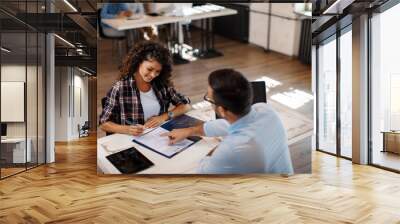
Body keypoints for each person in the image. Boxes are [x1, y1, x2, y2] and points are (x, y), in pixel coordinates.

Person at [162, 69, 294, 174]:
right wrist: (190, 131)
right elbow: (226, 125)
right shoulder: (265, 110)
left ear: (222, 111)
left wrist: (218, 148)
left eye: (209, 98)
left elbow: (203, 171)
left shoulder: (231, 150)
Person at [99, 41, 191, 135]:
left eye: (157, 71)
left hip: (160, 137)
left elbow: (186, 105)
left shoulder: (161, 84)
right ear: (139, 62)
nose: (153, 75)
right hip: (132, 142)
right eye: (150, 69)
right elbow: (104, 123)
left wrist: (164, 116)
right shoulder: (120, 88)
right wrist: (127, 129)